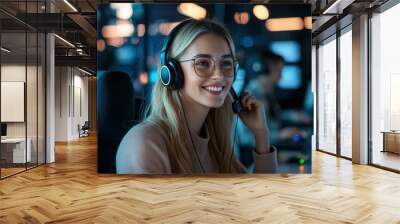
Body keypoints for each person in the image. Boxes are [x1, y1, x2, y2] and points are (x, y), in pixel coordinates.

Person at [116, 19, 277, 174]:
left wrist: (261, 134)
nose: (219, 76)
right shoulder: (145, 143)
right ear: (172, 72)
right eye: (203, 63)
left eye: (226, 64)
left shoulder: (216, 143)